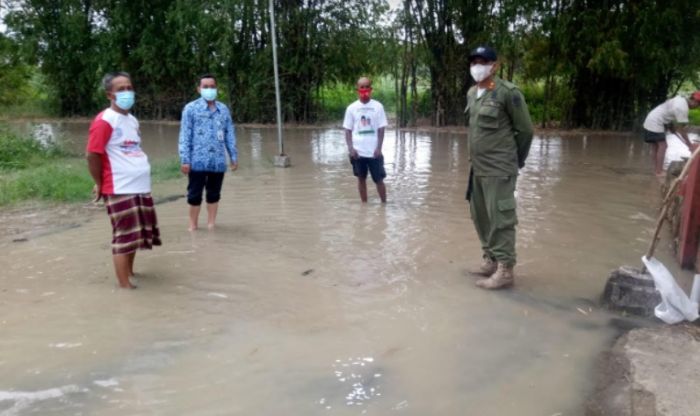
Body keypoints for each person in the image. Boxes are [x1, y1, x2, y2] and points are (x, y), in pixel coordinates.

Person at [464, 46, 534, 290]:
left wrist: (516, 161)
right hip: (478, 169)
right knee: (480, 216)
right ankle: (491, 260)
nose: (477, 66)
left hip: (499, 168)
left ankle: (505, 270)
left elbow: (525, 130)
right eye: (473, 62)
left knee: (500, 218)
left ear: (495, 65)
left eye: (482, 61)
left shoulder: (508, 93)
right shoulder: (472, 93)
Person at [86, 72, 161, 289]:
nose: (127, 92)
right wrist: (99, 183)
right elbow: (92, 154)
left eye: (129, 87)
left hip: (139, 186)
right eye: (121, 89)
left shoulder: (132, 120)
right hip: (119, 187)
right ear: (109, 95)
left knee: (135, 235)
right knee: (124, 236)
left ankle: (129, 272)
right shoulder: (104, 121)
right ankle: (124, 285)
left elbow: (132, 149)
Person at [178, 74, 238, 230]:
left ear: (216, 88)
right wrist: (185, 159)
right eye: (205, 86)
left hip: (217, 161)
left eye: (212, 86)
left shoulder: (223, 110)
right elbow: (185, 135)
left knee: (214, 194)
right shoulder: (190, 109)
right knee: (194, 195)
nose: (209, 89)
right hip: (197, 161)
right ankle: (193, 226)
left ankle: (211, 225)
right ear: (199, 89)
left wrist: (233, 156)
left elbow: (229, 134)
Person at [343, 77, 388, 203]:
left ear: (371, 89)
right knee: (361, 179)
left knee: (379, 180)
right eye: (361, 87)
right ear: (358, 89)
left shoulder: (378, 107)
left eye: (366, 86)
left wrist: (379, 148)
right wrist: (351, 149)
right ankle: (364, 206)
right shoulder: (351, 108)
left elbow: (381, 129)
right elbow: (348, 130)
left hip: (374, 152)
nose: (364, 89)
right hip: (358, 153)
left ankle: (384, 204)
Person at [642, 91, 700, 176]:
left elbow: (668, 112)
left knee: (655, 146)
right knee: (663, 146)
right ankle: (659, 171)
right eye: (698, 104)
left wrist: (670, 126)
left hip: (651, 119)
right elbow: (682, 130)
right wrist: (689, 145)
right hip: (656, 122)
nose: (697, 107)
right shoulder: (683, 108)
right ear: (694, 101)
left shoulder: (680, 99)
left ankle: (656, 169)